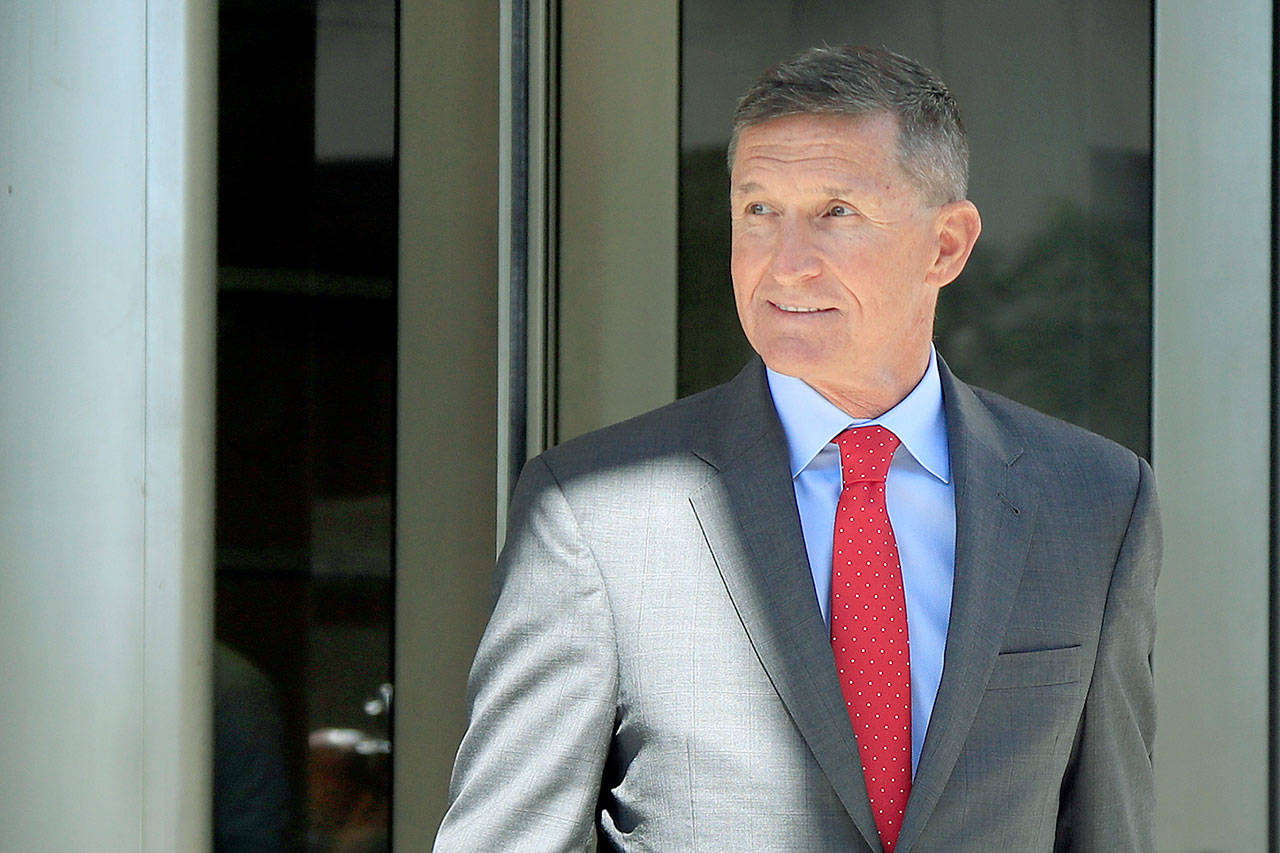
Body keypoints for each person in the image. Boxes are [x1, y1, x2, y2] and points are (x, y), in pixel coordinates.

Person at [435, 45, 1159, 852]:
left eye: (835, 212)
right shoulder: (593, 514)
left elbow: (1109, 829)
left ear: (947, 246)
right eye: (759, 211)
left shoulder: (1095, 501)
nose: (786, 265)